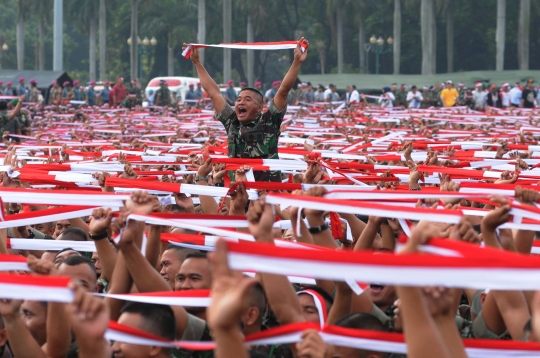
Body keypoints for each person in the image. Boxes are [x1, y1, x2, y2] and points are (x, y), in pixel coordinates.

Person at [184, 37, 309, 182]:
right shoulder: (232, 123)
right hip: (237, 192)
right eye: (238, 100)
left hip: (266, 193)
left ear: (260, 107)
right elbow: (213, 92)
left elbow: (283, 90)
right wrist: (197, 63)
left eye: (247, 100)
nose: (240, 102)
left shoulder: (269, 122)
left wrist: (297, 62)